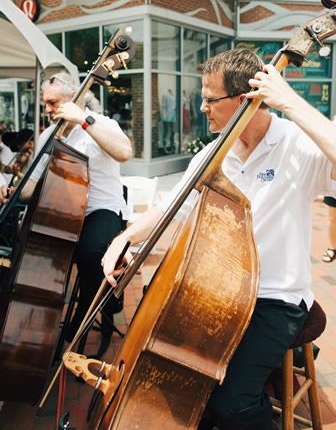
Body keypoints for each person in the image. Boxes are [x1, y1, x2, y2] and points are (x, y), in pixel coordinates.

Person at [101, 48, 336, 430]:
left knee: (232, 404)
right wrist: (122, 239)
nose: (202, 107)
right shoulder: (214, 153)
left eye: (210, 99)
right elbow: (169, 210)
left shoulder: (296, 144)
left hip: (275, 299)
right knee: (186, 380)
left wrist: (291, 102)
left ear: (243, 100)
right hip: (217, 295)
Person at [0, 71, 133, 358]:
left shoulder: (101, 124)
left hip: (103, 208)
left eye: (52, 103)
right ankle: (39, 325)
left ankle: (84, 320)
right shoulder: (49, 135)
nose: (47, 110)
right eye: (45, 104)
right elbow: (32, 186)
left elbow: (125, 152)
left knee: (90, 252)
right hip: (64, 214)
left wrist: (84, 120)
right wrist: (14, 192)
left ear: (73, 99)